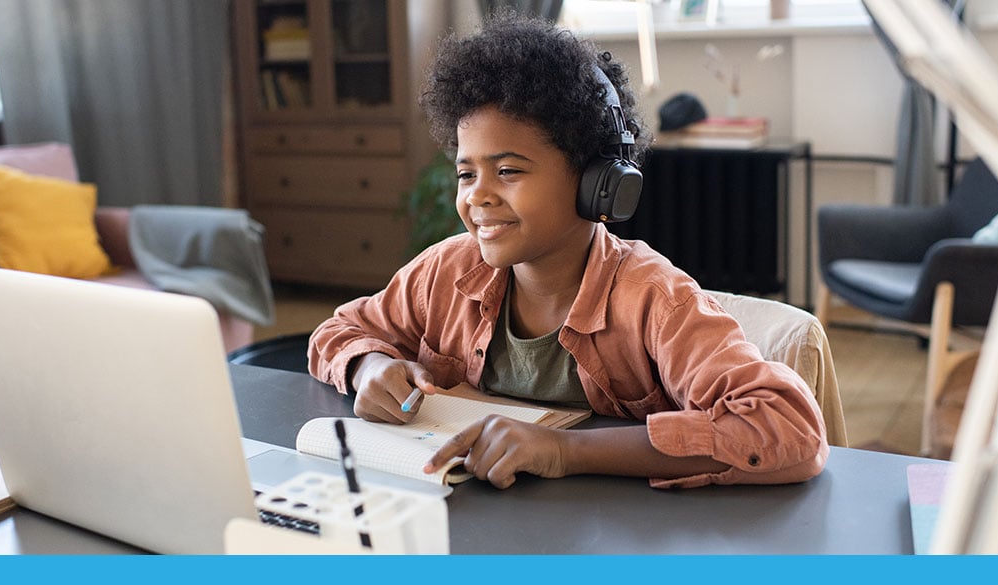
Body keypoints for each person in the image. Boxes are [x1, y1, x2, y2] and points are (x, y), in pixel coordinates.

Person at [308, 14, 828, 490]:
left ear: (597, 182)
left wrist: (566, 448)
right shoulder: (445, 270)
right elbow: (338, 331)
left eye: (508, 170)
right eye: (467, 173)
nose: (478, 196)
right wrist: (367, 365)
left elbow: (787, 428)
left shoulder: (653, 299)